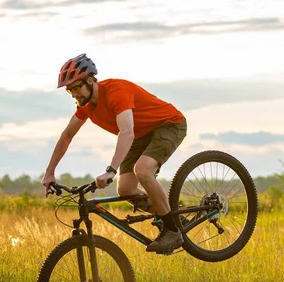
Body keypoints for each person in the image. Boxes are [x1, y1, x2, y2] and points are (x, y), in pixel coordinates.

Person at [41, 53, 187, 253]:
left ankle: (172, 230)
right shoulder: (86, 107)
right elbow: (66, 136)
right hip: (141, 134)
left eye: (76, 88)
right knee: (126, 189)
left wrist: (111, 170)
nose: (74, 94)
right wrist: (49, 172)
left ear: (91, 81)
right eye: (69, 91)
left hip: (168, 124)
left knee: (142, 170)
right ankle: (173, 217)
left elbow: (127, 132)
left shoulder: (117, 92)